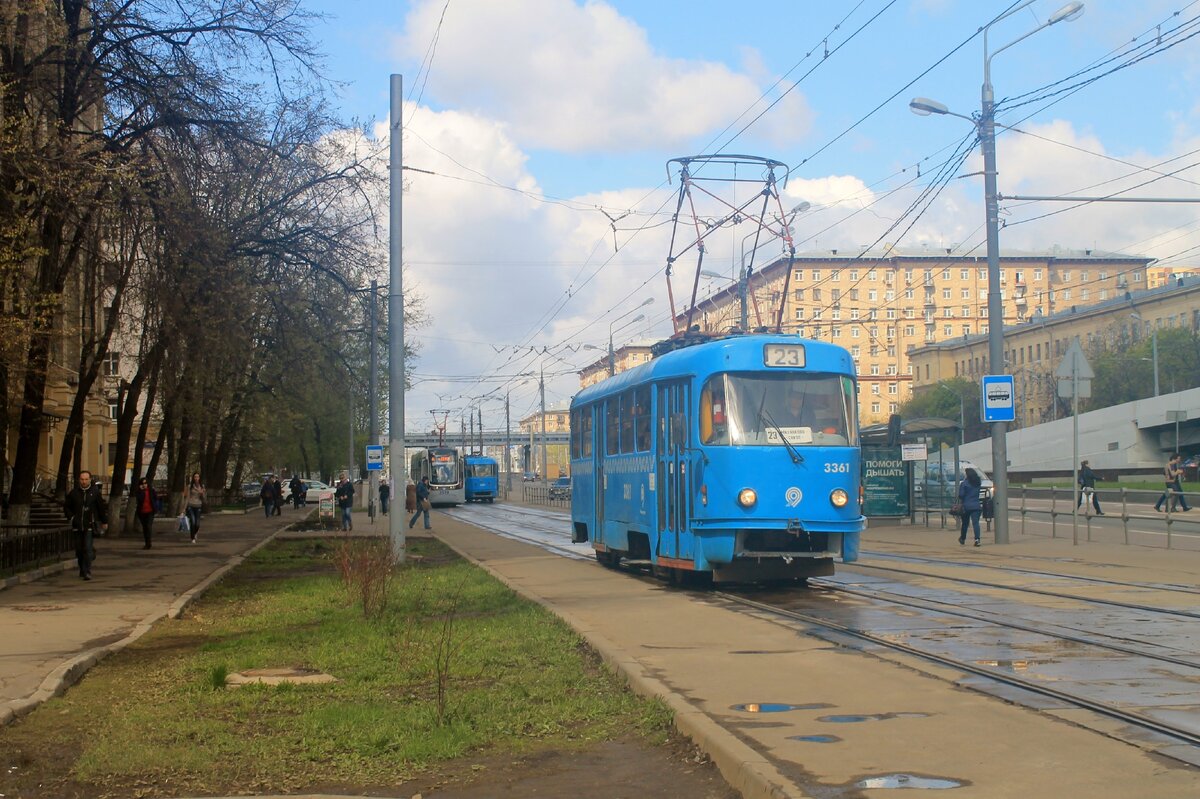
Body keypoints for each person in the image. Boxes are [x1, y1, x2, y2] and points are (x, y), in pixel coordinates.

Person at [64, 470, 107, 580]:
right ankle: (82, 569)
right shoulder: (74, 493)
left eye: (86, 479)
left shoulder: (95, 492)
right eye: (82, 479)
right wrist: (72, 517)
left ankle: (87, 571)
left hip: (89, 524)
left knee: (87, 548)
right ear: (79, 480)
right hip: (77, 526)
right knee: (79, 550)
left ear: (90, 480)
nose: (84, 481)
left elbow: (101, 508)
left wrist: (104, 521)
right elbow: (66, 507)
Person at [957, 467, 984, 547]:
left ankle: (962, 538)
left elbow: (961, 495)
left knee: (965, 523)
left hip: (966, 506)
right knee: (976, 523)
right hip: (976, 505)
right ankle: (977, 539)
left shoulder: (964, 483)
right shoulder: (977, 483)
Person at [134, 476, 158, 548]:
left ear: (148, 484)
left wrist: (156, 508)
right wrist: (141, 491)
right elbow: (139, 499)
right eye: (142, 483)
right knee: (145, 527)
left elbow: (156, 498)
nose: (144, 485)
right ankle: (146, 542)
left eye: (145, 483)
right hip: (142, 512)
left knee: (148, 526)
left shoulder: (151, 490)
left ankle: (149, 543)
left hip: (150, 511)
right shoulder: (139, 492)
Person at [185, 472, 206, 543]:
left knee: (197, 524)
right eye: (195, 477)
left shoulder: (202, 486)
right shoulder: (190, 486)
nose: (196, 478)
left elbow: (204, 499)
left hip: (198, 506)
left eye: (197, 477)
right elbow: (187, 497)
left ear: (199, 478)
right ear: (193, 478)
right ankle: (192, 538)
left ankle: (195, 532)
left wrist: (202, 493)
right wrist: (184, 508)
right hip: (191, 505)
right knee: (193, 522)